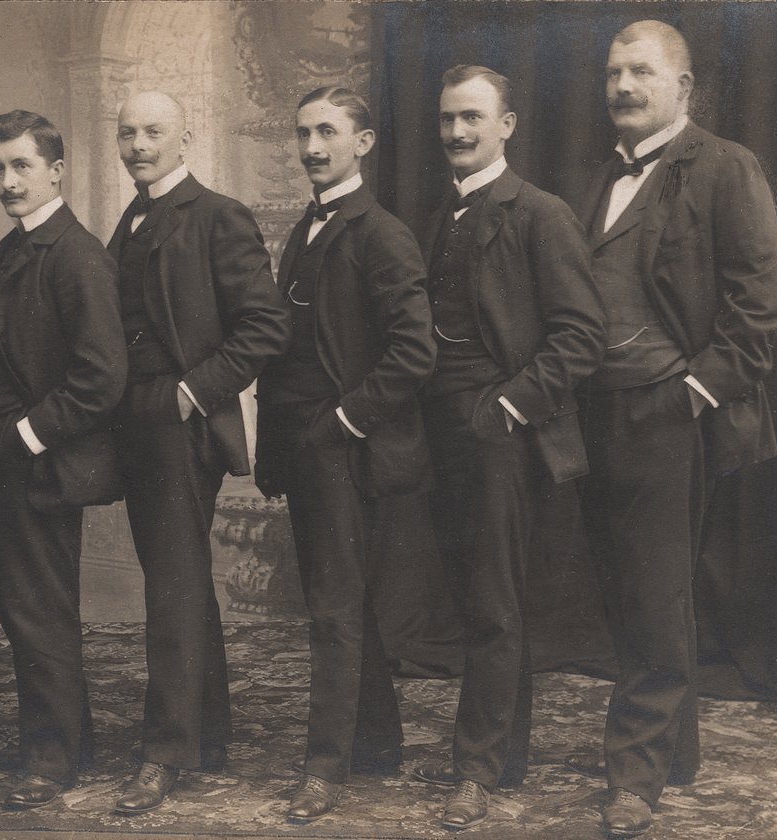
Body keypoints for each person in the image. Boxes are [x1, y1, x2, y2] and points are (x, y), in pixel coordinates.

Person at [573, 21, 777, 837]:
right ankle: (675, 752)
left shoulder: (727, 166)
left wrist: (694, 392)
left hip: (669, 410)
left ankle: (635, 776)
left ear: (684, 88)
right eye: (613, 73)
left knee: (655, 594)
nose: (623, 87)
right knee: (630, 589)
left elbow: (760, 305)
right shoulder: (601, 178)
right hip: (598, 410)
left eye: (641, 72)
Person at [410, 65, 606, 831]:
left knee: (493, 602)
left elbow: (580, 336)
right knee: (477, 598)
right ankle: (501, 753)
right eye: (447, 119)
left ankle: (478, 769)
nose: (457, 132)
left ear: (507, 126)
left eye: (472, 117)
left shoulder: (541, 214)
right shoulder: (440, 218)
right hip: (445, 434)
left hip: (502, 437)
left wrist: (510, 406)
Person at [254, 86, 436, 823]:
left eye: (327, 132)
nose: (311, 148)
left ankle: (325, 767)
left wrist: (342, 421)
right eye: (303, 133)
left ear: (362, 143)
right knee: (340, 599)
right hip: (305, 447)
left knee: (333, 609)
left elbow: (414, 351)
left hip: (343, 448)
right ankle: (378, 743)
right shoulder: (307, 227)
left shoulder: (381, 233)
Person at [106, 90, 291, 815]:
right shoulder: (130, 218)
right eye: (128, 133)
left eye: (153, 131)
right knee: (177, 578)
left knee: (172, 587)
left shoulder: (217, 215)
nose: (139, 145)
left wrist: (192, 394)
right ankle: (207, 734)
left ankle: (166, 752)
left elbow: (265, 325)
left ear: (185, 139)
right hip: (137, 423)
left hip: (181, 425)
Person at [0, 110, 127, 810]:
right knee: (24, 609)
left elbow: (101, 377)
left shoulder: (75, 255)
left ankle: (53, 759)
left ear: (55, 170)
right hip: (0, 464)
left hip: (35, 466)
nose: (8, 181)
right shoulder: (14, 247)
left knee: (39, 612)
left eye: (21, 166)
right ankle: (63, 742)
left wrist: (22, 439)